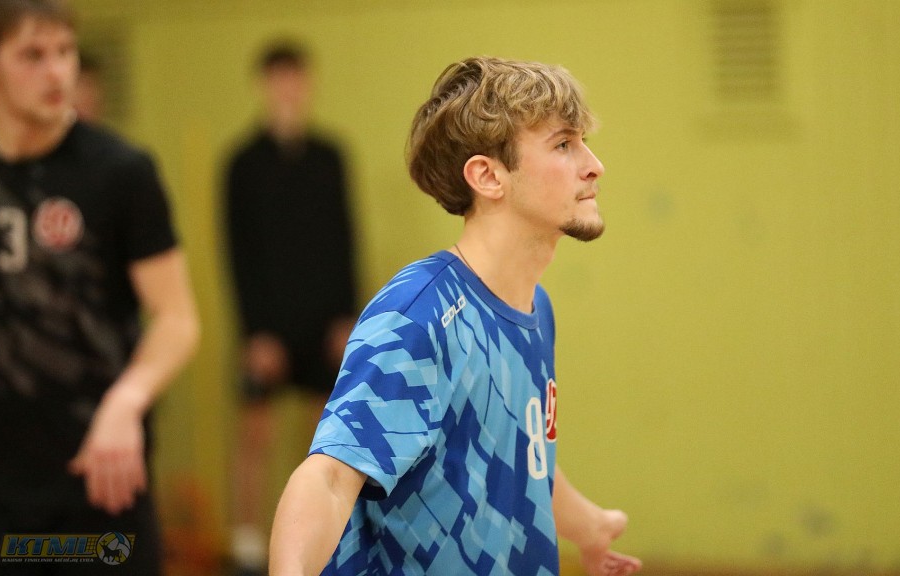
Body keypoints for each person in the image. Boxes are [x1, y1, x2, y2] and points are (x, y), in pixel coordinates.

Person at [269, 56, 643, 576]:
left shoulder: (535, 307)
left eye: (583, 141)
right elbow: (329, 479)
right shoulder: (420, 313)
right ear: (488, 176)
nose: (594, 164)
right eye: (563, 144)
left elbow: (516, 455)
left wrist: (590, 526)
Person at [0, 1, 200, 574]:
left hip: (99, 479)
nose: (56, 71)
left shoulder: (120, 171)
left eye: (65, 52)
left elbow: (177, 318)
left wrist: (126, 402)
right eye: (32, 55)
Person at [223, 40, 357, 575]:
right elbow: (237, 251)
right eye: (278, 78)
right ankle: (247, 543)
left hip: (324, 321)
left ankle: (317, 545)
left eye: (296, 78)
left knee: (322, 439)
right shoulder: (241, 163)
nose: (288, 89)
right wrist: (254, 331)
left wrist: (348, 318)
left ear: (308, 83)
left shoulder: (330, 157)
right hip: (267, 325)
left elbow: (345, 239)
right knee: (255, 433)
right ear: (264, 85)